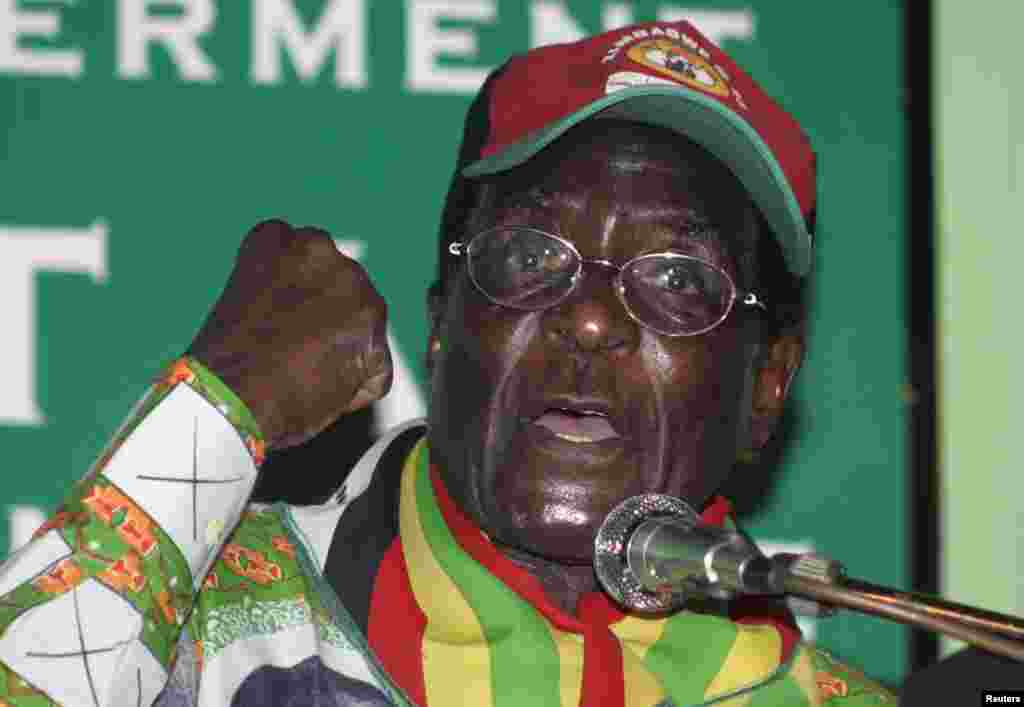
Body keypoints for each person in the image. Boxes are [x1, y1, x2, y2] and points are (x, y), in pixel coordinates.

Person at [0, 21, 896, 706]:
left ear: (770, 382)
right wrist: (216, 410)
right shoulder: (206, 629)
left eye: (676, 277)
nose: (588, 318)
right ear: (442, 320)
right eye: (531, 255)